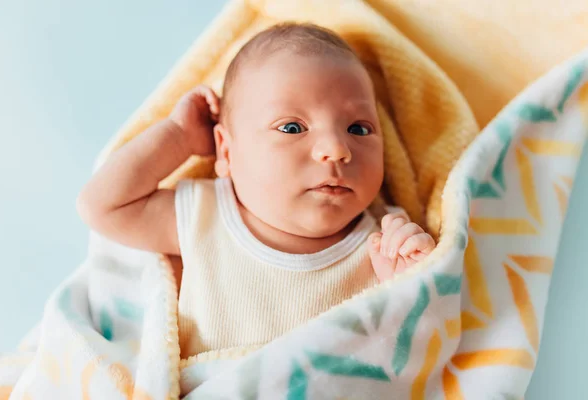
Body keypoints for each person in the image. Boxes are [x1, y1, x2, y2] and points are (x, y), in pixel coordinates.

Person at [76, 23, 436, 359]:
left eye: (358, 129)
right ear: (227, 152)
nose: (336, 148)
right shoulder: (205, 217)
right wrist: (179, 137)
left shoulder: (387, 241)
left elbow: (418, 349)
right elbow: (103, 206)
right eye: (293, 127)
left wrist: (413, 284)